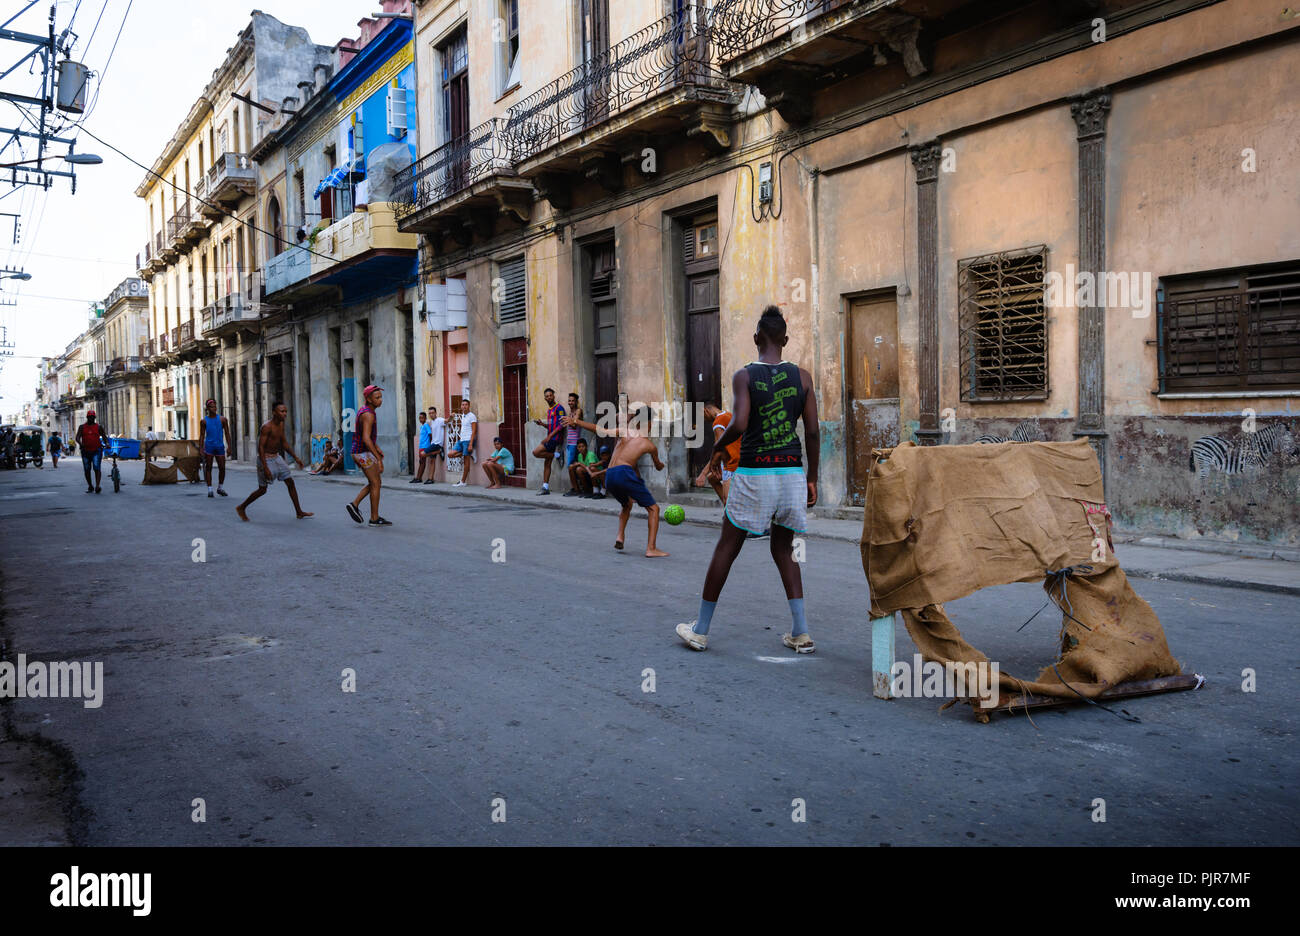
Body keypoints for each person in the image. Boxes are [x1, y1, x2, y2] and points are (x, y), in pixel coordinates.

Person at [677, 306, 820, 654]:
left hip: (755, 473)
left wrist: (715, 449)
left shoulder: (744, 375)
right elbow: (813, 431)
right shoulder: (803, 377)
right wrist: (812, 478)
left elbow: (739, 423)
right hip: (790, 474)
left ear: (756, 339)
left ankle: (701, 629)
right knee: (784, 548)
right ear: (785, 340)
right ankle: (801, 632)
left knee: (728, 545)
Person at [565, 405, 668, 558]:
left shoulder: (625, 431)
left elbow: (600, 430)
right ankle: (651, 548)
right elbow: (659, 466)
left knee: (626, 504)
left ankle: (620, 536)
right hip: (624, 472)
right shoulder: (649, 445)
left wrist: (576, 421)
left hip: (610, 475)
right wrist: (660, 464)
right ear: (650, 423)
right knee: (654, 509)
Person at [235, 401, 312, 521]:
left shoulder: (281, 424)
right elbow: (260, 447)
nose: (285, 413)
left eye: (286, 411)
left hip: (276, 457)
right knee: (262, 490)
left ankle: (299, 511)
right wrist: (265, 467)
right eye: (282, 411)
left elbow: (284, 443)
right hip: (265, 458)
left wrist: (296, 458)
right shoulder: (267, 427)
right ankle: (242, 507)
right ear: (274, 413)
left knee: (290, 482)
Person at [346, 385, 390, 526]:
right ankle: (371, 516)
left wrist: (376, 448)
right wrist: (378, 458)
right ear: (369, 399)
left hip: (361, 451)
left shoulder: (366, 411)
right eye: (377, 397)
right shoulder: (369, 415)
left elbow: (366, 436)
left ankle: (360, 508)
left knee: (375, 483)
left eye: (381, 397)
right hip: (361, 452)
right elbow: (365, 438)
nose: (380, 400)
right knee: (376, 483)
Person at [694, 401, 741, 506]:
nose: (705, 420)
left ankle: (729, 513)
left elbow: (719, 448)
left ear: (705, 411)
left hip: (732, 463)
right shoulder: (729, 415)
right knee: (712, 478)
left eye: (703, 417)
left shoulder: (718, 422)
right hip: (740, 459)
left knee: (729, 503)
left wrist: (702, 474)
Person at [530, 387, 566, 495]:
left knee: (536, 452)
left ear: (554, 396)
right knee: (547, 463)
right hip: (551, 437)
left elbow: (562, 424)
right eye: (547, 396)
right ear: (544, 398)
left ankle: (557, 455)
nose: (549, 397)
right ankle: (545, 487)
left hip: (555, 438)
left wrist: (550, 436)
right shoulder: (549, 410)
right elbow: (551, 426)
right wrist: (542, 425)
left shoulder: (559, 408)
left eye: (550, 395)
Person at [197, 399, 232, 498]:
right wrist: (201, 449)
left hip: (220, 446)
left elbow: (227, 433)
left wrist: (229, 447)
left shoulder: (222, 419)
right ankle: (210, 489)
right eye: (212, 406)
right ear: (207, 408)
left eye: (215, 406)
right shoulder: (204, 421)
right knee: (208, 468)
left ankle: (220, 487)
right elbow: (202, 435)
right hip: (209, 447)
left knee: (222, 468)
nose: (214, 408)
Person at [75, 410, 110, 494]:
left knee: (96, 468)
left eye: (93, 417)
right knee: (87, 469)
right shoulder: (82, 427)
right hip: (85, 451)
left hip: (96, 450)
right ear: (87, 417)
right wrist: (80, 444)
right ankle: (90, 486)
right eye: (90, 417)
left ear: (94, 418)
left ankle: (97, 486)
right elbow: (77, 437)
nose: (91, 418)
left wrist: (107, 443)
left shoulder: (99, 427)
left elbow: (104, 437)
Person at [451, 398, 477, 487]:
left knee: (466, 462)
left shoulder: (472, 416)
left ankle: (462, 481)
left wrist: (470, 444)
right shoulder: (462, 415)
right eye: (463, 405)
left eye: (466, 405)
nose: (464, 406)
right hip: (461, 440)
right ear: (461, 406)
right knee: (450, 454)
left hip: (468, 440)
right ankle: (468, 453)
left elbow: (474, 431)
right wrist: (452, 415)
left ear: (469, 406)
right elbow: (452, 418)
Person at [422, 405, 446, 484]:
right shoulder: (431, 422)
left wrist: (451, 417)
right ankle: (430, 479)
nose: (431, 414)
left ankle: (439, 451)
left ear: (436, 413)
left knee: (422, 454)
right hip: (433, 443)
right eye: (430, 413)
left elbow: (447, 421)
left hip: (437, 444)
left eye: (432, 413)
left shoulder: (440, 420)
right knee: (432, 461)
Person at [411, 410, 433, 483]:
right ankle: (418, 477)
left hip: (425, 446)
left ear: (425, 418)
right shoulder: (422, 426)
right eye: (420, 418)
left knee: (422, 462)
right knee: (421, 462)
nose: (421, 419)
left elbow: (430, 434)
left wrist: (430, 444)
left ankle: (419, 478)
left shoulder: (426, 425)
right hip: (421, 446)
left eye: (422, 418)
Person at [564, 392, 584, 468]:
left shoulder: (578, 411)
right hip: (569, 443)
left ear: (576, 402)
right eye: (569, 401)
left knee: (570, 466)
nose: (570, 402)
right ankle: (576, 479)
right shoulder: (570, 413)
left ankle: (576, 480)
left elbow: (574, 425)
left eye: (572, 401)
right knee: (573, 466)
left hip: (575, 443)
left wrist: (567, 421)